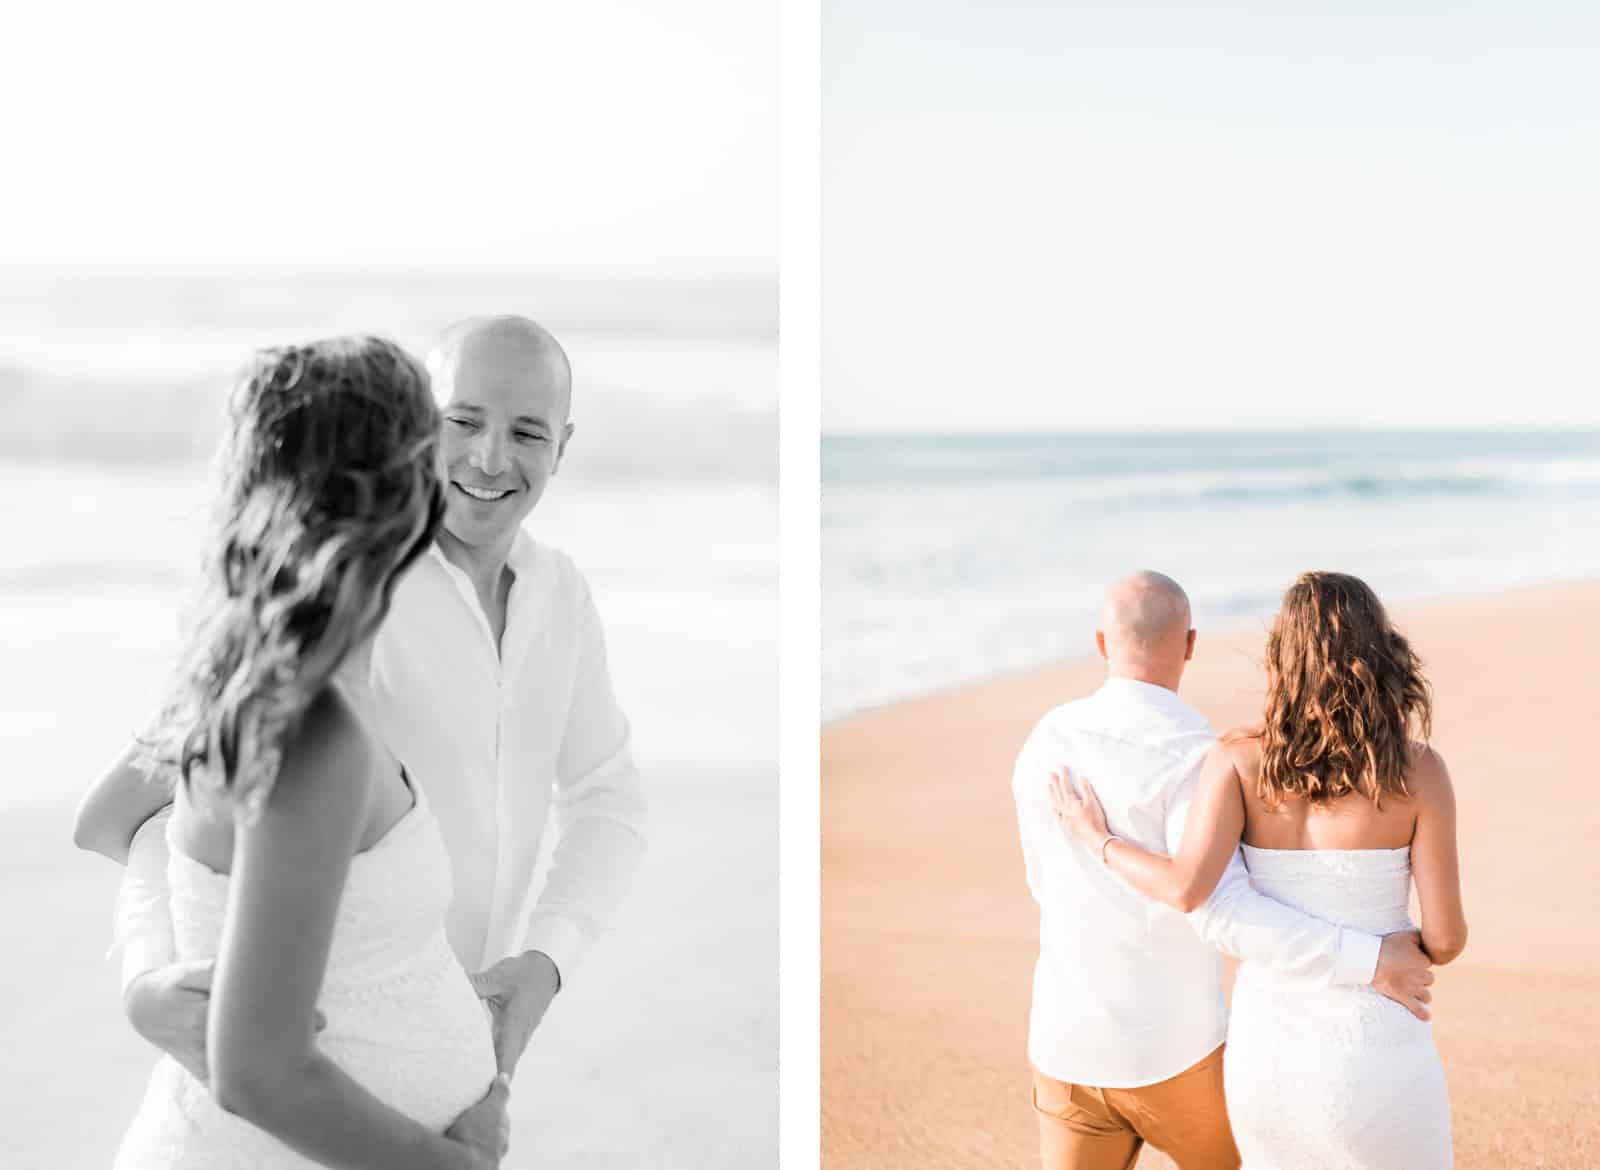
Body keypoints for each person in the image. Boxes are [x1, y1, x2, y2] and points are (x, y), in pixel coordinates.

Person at [76, 317, 646, 1117]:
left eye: (526, 431)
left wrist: (544, 962)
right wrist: (146, 978)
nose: (489, 458)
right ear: (417, 426)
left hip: (464, 1078)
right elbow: (121, 813)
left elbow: (608, 797)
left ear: (564, 444)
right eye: (463, 421)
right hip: (319, 1083)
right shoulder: (340, 594)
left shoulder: (562, 594)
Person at [87, 337, 509, 1167]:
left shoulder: (268, 667)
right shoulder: (312, 728)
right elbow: (258, 1071)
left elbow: (133, 824)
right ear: (404, 488)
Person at [1011, 570, 1438, 1170]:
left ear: (1102, 644)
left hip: (1065, 1047)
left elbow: (1043, 885)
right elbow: (1225, 913)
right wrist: (1371, 960)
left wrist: (1100, 844)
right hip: (1178, 1055)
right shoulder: (1194, 752)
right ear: (1189, 644)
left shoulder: (1044, 741)